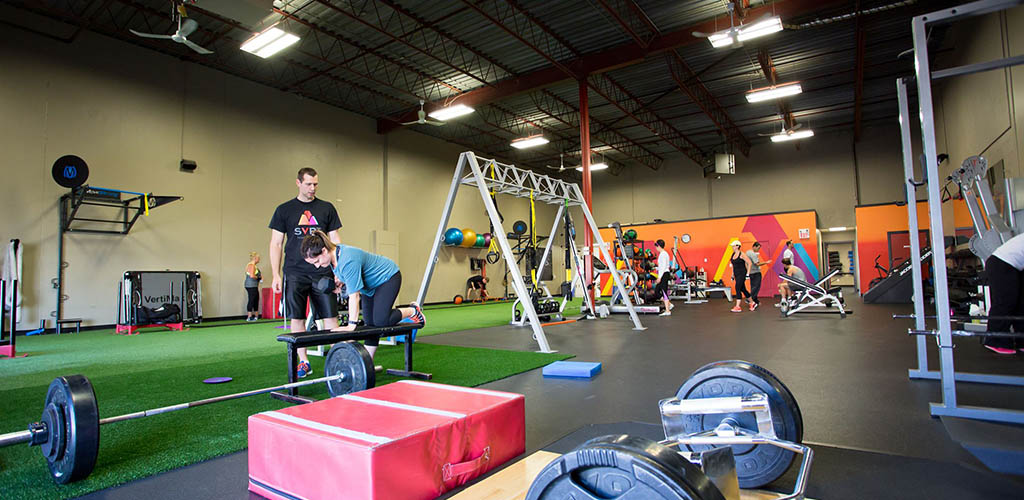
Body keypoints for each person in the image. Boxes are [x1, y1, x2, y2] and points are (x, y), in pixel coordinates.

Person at [301, 230, 425, 359]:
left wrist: (351, 325)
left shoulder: (347, 259)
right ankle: (367, 363)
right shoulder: (333, 258)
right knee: (370, 325)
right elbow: (348, 278)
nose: (317, 266)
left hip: (387, 277)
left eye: (316, 261)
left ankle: (413, 311)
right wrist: (341, 283)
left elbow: (354, 296)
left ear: (324, 251)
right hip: (370, 287)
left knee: (381, 321)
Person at [269, 167, 343, 378]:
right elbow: (276, 243)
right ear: (298, 183)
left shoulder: (327, 208)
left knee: (331, 317)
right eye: (309, 184)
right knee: (297, 318)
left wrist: (340, 270)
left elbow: (335, 240)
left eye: (315, 184)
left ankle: (339, 359)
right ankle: (303, 361)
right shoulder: (284, 210)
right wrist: (276, 275)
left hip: (322, 271)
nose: (313, 188)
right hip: (294, 272)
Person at [983, 233, 1024, 354]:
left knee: (1021, 305)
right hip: (1001, 263)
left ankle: (1021, 341)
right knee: (1005, 302)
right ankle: (995, 341)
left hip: (1016, 266)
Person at [729, 240, 754, 313]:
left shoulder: (742, 254)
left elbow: (749, 263)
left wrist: (747, 274)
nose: (733, 247)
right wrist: (732, 275)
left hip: (742, 273)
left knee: (737, 287)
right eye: (732, 246)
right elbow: (733, 266)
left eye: (734, 246)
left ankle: (738, 306)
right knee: (743, 289)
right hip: (736, 274)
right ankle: (752, 302)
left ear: (737, 246)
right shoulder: (733, 254)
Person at [745, 242, 771, 311]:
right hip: (755, 272)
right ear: (754, 247)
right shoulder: (753, 254)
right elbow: (757, 264)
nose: (758, 250)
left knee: (753, 286)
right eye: (758, 248)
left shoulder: (747, 252)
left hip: (750, 272)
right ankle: (750, 299)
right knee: (756, 286)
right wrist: (766, 262)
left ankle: (755, 300)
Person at [654, 239, 674, 316]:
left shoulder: (663, 254)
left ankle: (667, 311)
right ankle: (669, 304)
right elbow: (663, 266)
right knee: (657, 292)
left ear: (658, 246)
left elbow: (663, 267)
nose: (656, 248)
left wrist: (659, 277)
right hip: (664, 273)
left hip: (664, 274)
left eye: (656, 246)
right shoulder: (663, 254)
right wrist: (656, 268)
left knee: (663, 291)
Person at [244, 252, 262, 321]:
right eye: (258, 258)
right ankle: (249, 316)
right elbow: (252, 275)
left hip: (254, 285)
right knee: (251, 300)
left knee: (256, 299)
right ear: (255, 258)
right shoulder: (251, 265)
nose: (259, 259)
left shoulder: (254, 266)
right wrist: (258, 277)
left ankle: (256, 316)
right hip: (251, 285)